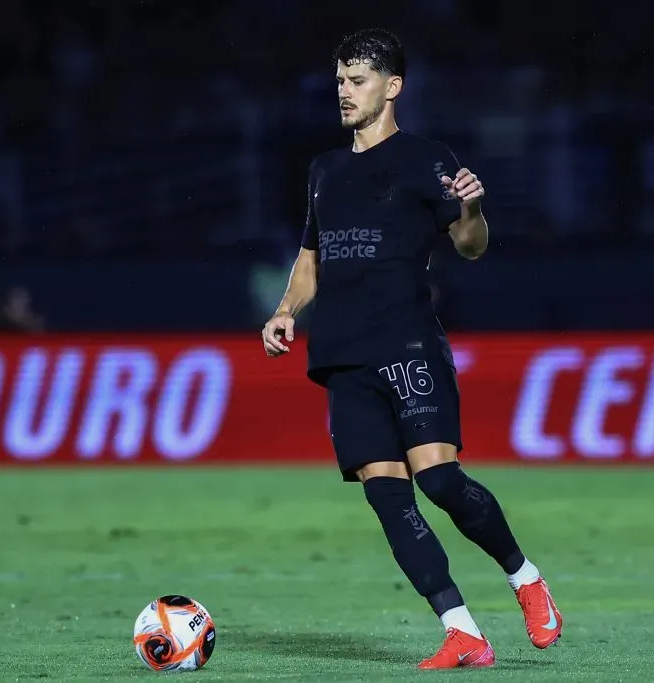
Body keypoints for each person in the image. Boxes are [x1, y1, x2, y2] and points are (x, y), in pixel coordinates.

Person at [261, 28, 562, 670]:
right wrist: (286, 310)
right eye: (339, 79)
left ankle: (526, 579)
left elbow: (471, 246)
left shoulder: (428, 159)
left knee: (439, 478)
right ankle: (462, 631)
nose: (343, 91)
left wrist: (474, 209)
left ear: (392, 87)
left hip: (407, 342)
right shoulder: (324, 169)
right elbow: (311, 258)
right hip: (342, 354)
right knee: (387, 493)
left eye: (357, 79)